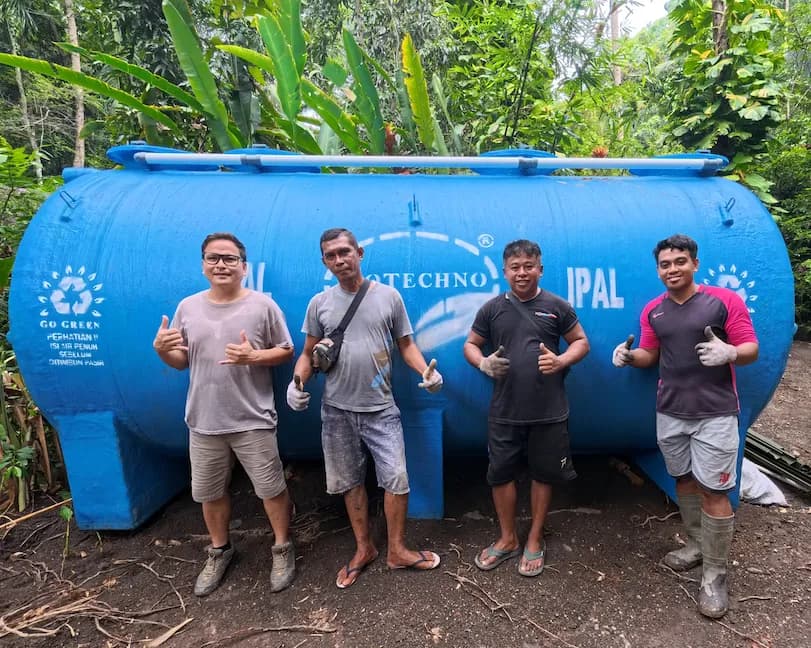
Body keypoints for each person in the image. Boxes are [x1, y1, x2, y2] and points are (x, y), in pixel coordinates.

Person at [286, 227, 444, 589]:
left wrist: (426, 373)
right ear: (325, 262)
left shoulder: (388, 297)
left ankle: (398, 550)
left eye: (345, 252)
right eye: (331, 255)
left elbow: (406, 346)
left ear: (359, 252)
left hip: (381, 408)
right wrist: (296, 384)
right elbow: (308, 353)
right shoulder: (319, 304)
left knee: (397, 479)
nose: (340, 260)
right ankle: (364, 548)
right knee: (349, 481)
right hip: (336, 409)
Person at [612, 233, 759, 618]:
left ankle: (715, 573)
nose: (672, 269)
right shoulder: (654, 311)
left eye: (680, 262)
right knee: (684, 480)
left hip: (715, 413)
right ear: (658, 269)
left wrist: (730, 352)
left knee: (714, 490)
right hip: (671, 411)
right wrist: (629, 357)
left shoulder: (724, 301)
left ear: (695, 263)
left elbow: (750, 348)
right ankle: (697, 545)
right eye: (665, 264)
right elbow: (650, 355)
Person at [153, 232, 296, 596]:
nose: (221, 264)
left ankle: (282, 547)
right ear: (203, 265)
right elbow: (182, 361)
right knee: (208, 493)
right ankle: (219, 550)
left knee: (271, 488)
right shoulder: (188, 307)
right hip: (203, 420)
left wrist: (254, 357)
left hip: (252, 418)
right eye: (214, 258)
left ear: (243, 267)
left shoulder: (263, 306)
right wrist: (162, 351)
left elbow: (286, 350)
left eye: (230, 259)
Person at [463, 239, 589, 577]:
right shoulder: (491, 309)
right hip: (504, 409)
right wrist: (483, 363)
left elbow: (582, 342)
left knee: (544, 474)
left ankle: (534, 538)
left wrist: (561, 360)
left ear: (540, 269)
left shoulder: (557, 306)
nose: (522, 273)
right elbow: (471, 345)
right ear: (505, 272)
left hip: (549, 409)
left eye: (528, 266)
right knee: (500, 474)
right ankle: (507, 539)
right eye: (515, 268)